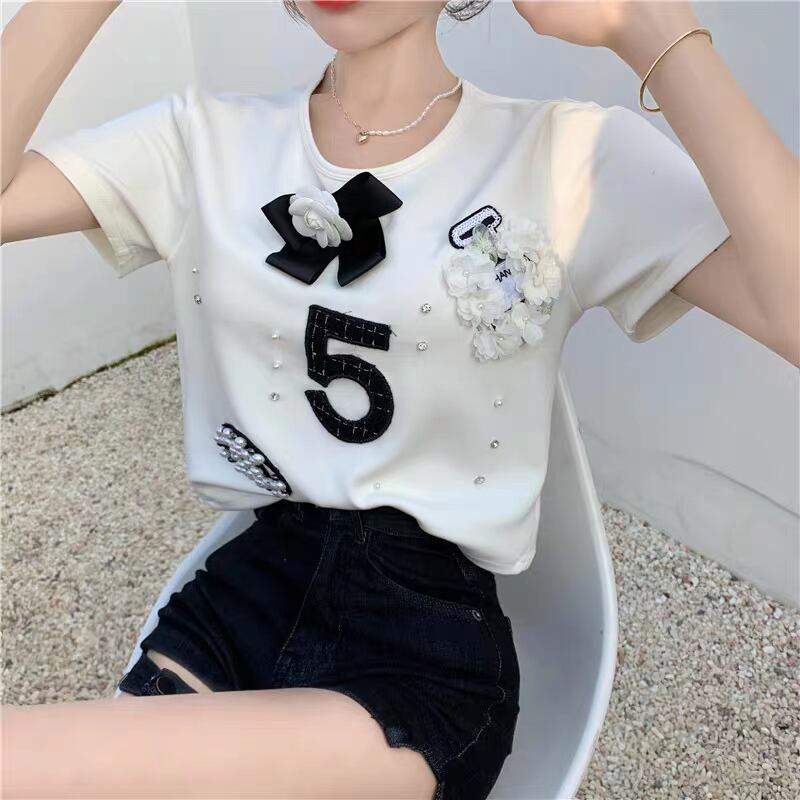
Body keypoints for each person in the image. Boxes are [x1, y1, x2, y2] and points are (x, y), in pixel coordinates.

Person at [1, 0, 797, 798]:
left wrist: (646, 26)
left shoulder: (566, 158)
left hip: (420, 651)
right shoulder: (203, 142)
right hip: (242, 598)